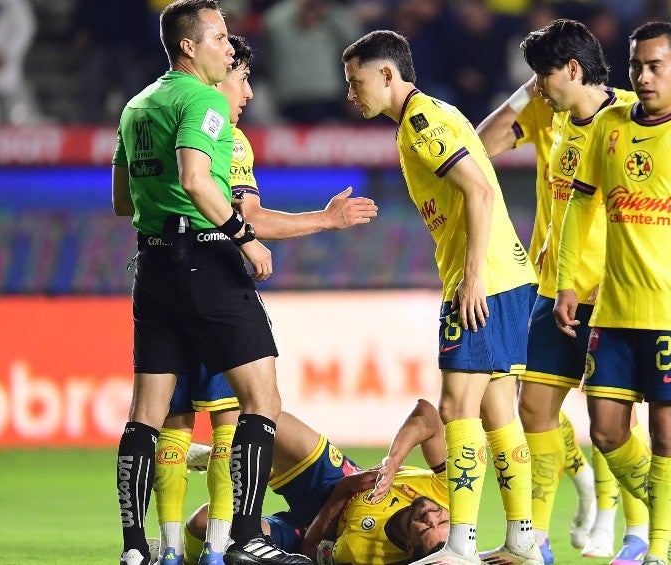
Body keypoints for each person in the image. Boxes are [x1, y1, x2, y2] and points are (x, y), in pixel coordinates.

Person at [149, 33, 378, 565]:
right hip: (216, 287)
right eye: (243, 78)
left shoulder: (163, 121)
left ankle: (163, 551)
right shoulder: (226, 139)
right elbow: (247, 219)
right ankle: (226, 546)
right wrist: (325, 219)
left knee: (170, 423)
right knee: (245, 412)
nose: (249, 92)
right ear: (215, 77)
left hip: (162, 279)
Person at [110, 2, 309, 564]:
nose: (228, 46)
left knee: (145, 416)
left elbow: (123, 201)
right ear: (189, 47)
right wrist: (245, 238)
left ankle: (135, 549)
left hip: (153, 266)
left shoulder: (136, 106)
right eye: (219, 37)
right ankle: (246, 538)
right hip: (206, 259)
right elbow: (196, 180)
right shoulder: (203, 100)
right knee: (261, 400)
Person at [342, 30, 541, 565]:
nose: (351, 94)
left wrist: (471, 278)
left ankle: (461, 544)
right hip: (507, 276)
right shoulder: (435, 113)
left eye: (356, 82)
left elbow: (479, 190)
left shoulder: (420, 123)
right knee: (497, 409)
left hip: (483, 279)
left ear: (388, 75)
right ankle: (523, 540)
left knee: (456, 406)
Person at [554, 21, 671, 565]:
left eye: (655, 66)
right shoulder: (608, 125)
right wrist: (566, 280)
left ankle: (658, 551)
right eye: (636, 66)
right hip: (613, 309)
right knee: (605, 431)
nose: (643, 77)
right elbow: (580, 204)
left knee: (667, 435)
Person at [479, 19, 651, 565]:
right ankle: (536, 541)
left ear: (573, 69)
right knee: (534, 409)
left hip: (615, 292)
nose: (539, 85)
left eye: (543, 74)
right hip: (553, 288)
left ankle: (640, 533)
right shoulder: (544, 110)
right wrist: (526, 91)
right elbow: (480, 146)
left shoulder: (633, 116)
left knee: (614, 421)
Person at [174, 399, 450, 565]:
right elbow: (427, 415)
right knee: (263, 414)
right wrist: (394, 459)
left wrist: (344, 491)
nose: (431, 517)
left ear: (410, 547)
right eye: (443, 521)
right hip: (334, 479)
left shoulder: (364, 555)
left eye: (426, 528)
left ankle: (185, 557)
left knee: (203, 524)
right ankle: (236, 458)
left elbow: (311, 550)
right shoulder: (448, 494)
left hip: (312, 528)